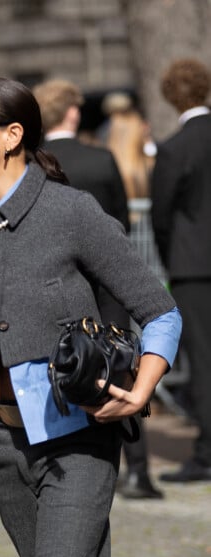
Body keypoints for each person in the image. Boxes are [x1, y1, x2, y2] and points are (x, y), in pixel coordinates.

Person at [0, 77, 181, 557]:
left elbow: (160, 311)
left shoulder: (72, 213)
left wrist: (140, 392)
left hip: (80, 439)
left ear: (12, 134)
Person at [33, 78, 164, 500]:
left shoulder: (33, 165)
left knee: (62, 362)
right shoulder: (99, 157)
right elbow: (122, 220)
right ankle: (138, 468)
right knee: (123, 362)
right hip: (107, 281)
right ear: (72, 112)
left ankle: (72, 450)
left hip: (56, 282)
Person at [151, 58, 211, 483]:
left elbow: (162, 215)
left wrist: (172, 257)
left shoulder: (174, 148)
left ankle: (207, 452)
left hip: (193, 265)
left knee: (204, 362)